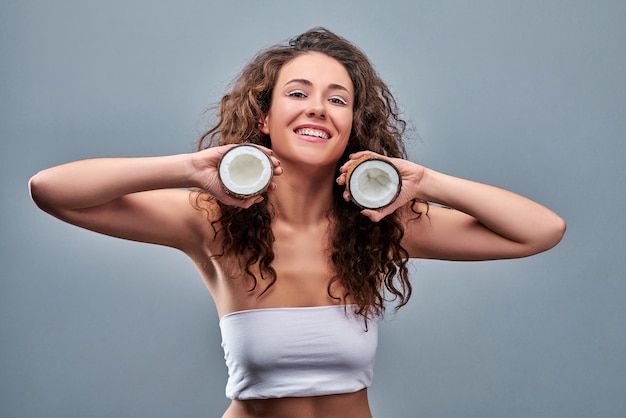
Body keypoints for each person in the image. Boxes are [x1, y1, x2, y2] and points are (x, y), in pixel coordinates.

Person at [29, 27, 566, 418]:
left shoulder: (382, 222)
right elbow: (52, 191)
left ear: (351, 126)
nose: (317, 108)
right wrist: (189, 169)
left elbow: (541, 230)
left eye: (338, 99)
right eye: (297, 93)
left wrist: (425, 182)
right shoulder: (209, 221)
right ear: (264, 118)